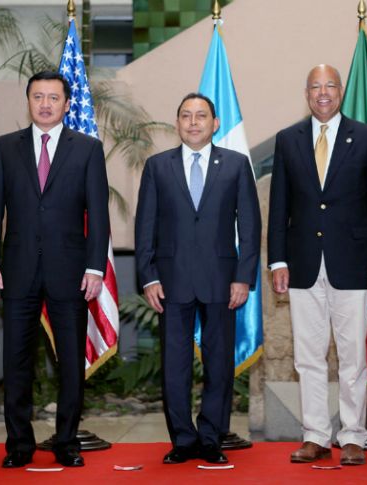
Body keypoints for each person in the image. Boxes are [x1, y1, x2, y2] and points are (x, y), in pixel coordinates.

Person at [0, 71, 109, 469]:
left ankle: (66, 442)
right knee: (16, 361)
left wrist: (95, 267)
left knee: (70, 362)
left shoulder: (87, 149)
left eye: (53, 97)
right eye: (38, 97)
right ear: (29, 101)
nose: (45, 104)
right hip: (17, 271)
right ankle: (19, 445)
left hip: (71, 271)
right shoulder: (6, 147)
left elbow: (98, 214)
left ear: (67, 104)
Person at [267, 64, 367, 466]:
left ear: (340, 91)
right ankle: (316, 435)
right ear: (306, 94)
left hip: (354, 264)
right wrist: (277, 260)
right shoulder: (288, 139)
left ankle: (353, 435)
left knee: (353, 356)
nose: (323, 93)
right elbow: (279, 205)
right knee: (308, 356)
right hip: (302, 264)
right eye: (315, 87)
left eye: (330, 86)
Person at [135, 93, 261, 465]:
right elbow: (145, 227)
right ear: (177, 123)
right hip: (170, 281)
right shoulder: (158, 166)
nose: (193, 122)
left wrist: (243, 278)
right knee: (174, 366)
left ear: (215, 123)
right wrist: (148, 277)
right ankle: (183, 440)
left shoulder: (236, 165)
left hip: (222, 281)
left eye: (201, 116)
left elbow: (249, 227)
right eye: (186, 116)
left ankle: (211, 438)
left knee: (219, 364)